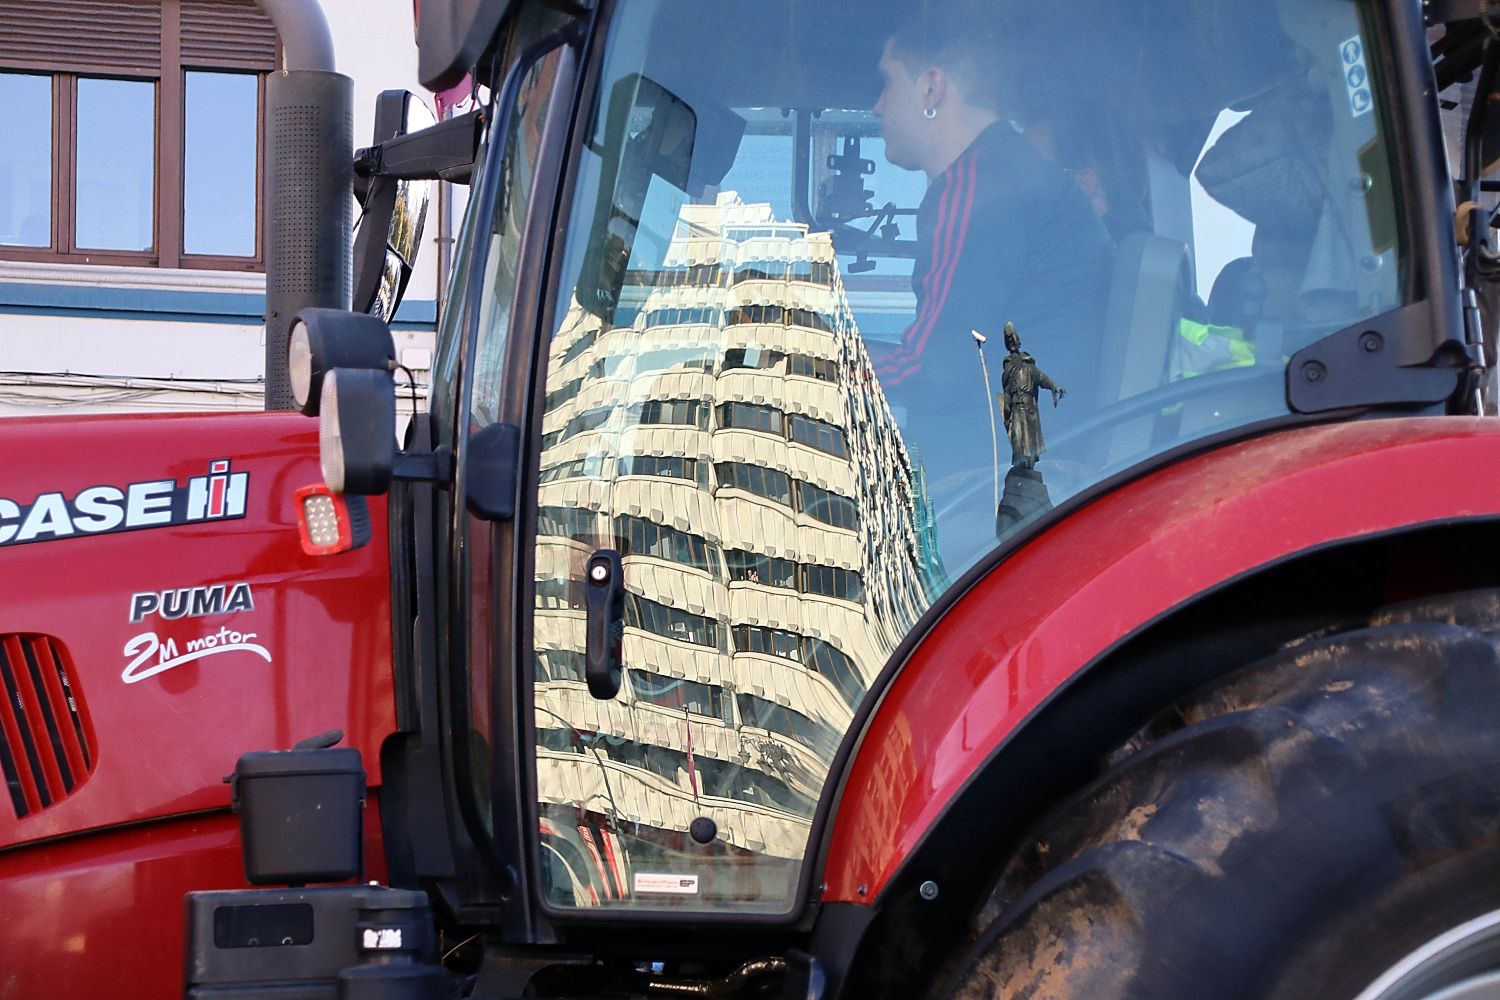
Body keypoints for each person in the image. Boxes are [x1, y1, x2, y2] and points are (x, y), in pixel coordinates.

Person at [869, 4, 1113, 549]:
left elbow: (936, 364)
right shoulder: (1008, 173)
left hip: (995, 492)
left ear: (932, 88)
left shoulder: (976, 188)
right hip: (1025, 471)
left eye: (888, 82)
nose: (877, 105)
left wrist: (813, 369)